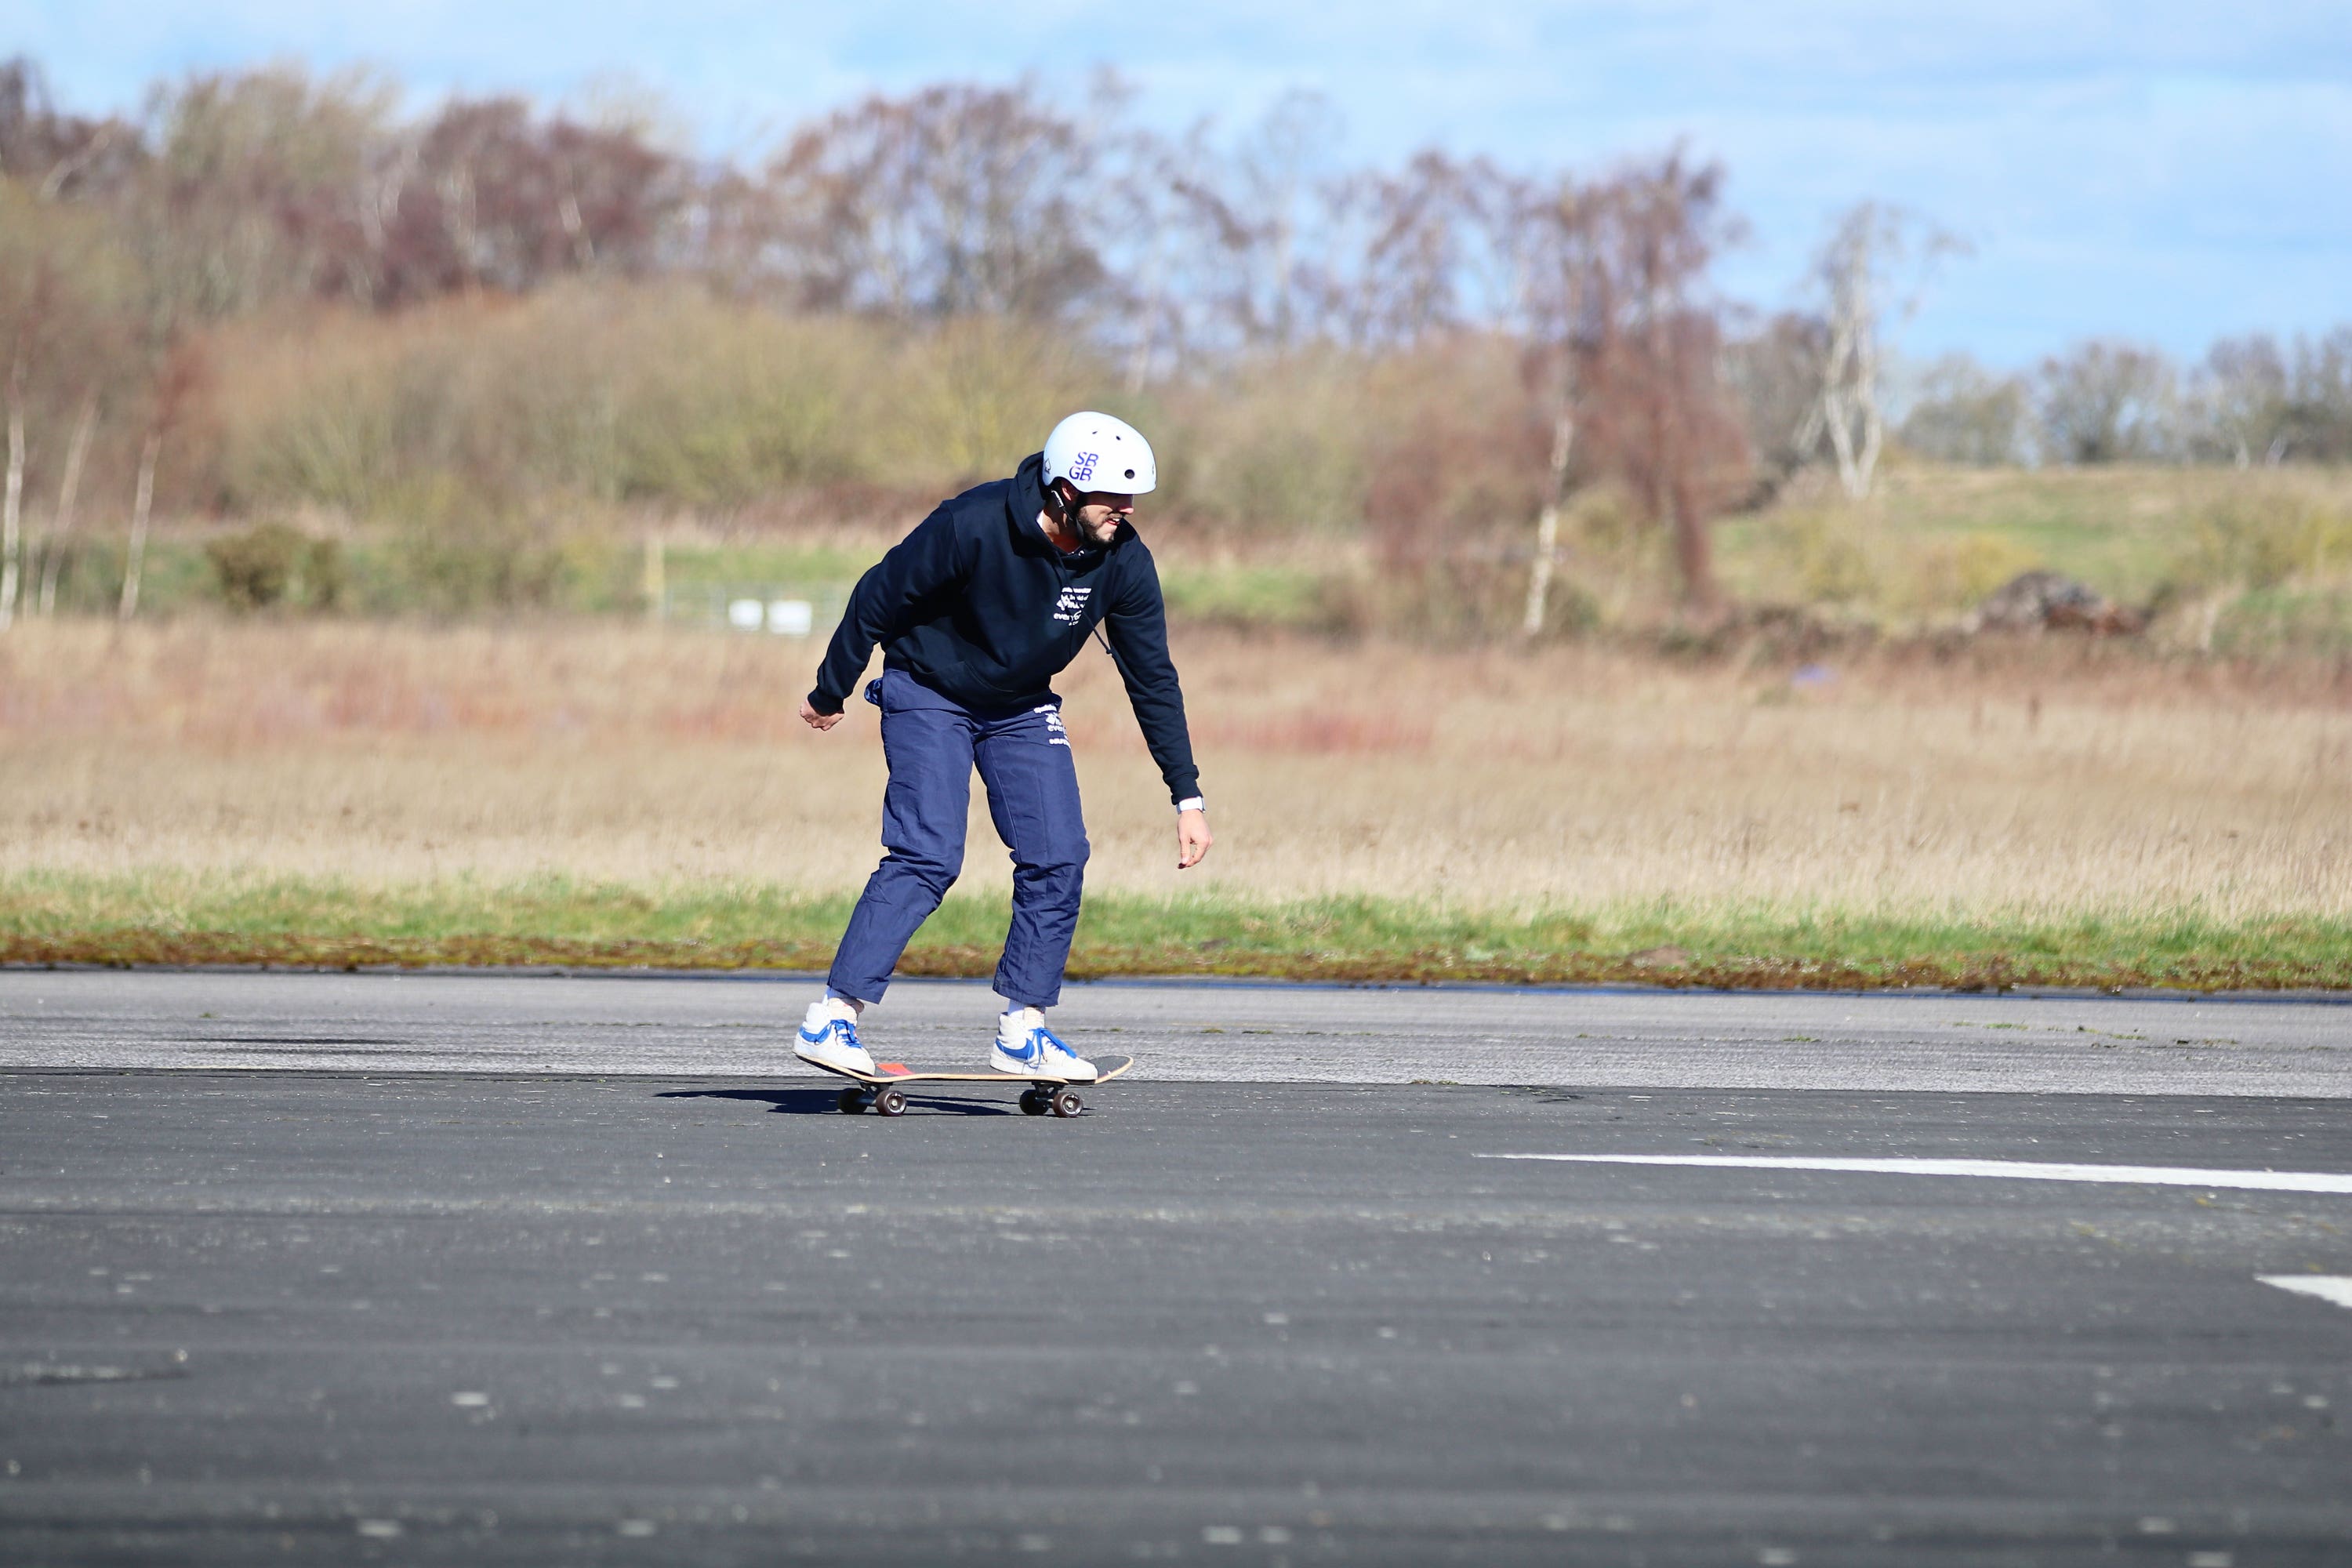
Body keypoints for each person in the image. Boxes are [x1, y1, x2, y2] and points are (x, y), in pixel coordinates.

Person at [793, 412, 1212, 1083]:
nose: (1128, 511)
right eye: (1114, 496)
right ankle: (832, 1018)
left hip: (1020, 705)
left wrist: (1186, 794)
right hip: (929, 690)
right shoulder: (975, 522)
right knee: (928, 853)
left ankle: (1024, 1031)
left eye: (1135, 498)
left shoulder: (1122, 559)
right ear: (1066, 492)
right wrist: (831, 688)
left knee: (1058, 855)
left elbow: (1153, 677)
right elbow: (877, 593)